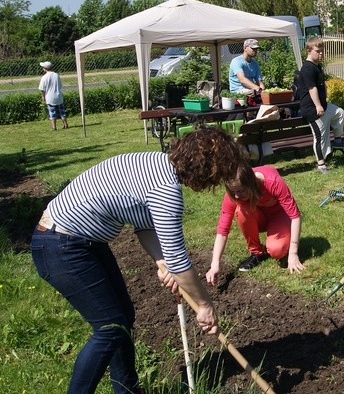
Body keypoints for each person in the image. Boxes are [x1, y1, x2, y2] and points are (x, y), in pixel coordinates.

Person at [31, 126, 246, 394]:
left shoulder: (153, 164)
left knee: (122, 317)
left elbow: (144, 227)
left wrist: (161, 262)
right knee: (110, 326)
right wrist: (205, 305)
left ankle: (128, 391)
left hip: (77, 242)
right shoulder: (166, 190)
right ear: (208, 171)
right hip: (62, 247)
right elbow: (179, 260)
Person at [205, 164, 305, 283]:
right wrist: (214, 264)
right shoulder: (234, 194)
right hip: (259, 217)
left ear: (251, 184)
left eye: (241, 191)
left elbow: (295, 216)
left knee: (276, 250)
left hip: (280, 215)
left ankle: (281, 244)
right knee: (241, 210)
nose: (237, 196)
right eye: (233, 192)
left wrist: (293, 253)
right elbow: (222, 231)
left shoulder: (272, 181)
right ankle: (257, 252)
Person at [297, 36, 344, 173]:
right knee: (320, 136)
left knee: (340, 113)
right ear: (308, 50)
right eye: (317, 51)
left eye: (322, 51)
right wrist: (318, 106)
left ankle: (337, 141)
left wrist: (325, 98)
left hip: (323, 105)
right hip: (312, 108)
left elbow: (321, 85)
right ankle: (321, 165)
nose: (321, 54)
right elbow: (311, 89)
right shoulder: (307, 69)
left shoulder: (316, 66)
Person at [38, 60, 69, 130]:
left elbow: (42, 89)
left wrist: (43, 97)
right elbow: (60, 86)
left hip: (50, 97)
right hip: (58, 96)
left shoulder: (44, 77)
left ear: (45, 68)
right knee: (62, 112)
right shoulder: (56, 75)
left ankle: (54, 127)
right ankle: (66, 124)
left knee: (52, 112)